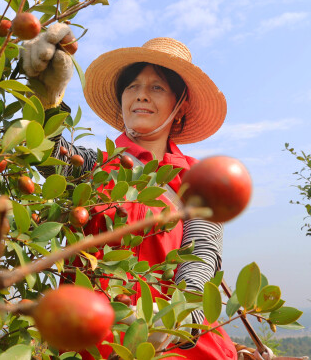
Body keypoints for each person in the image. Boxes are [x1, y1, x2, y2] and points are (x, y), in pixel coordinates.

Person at [20, 24, 239, 359]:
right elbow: (56, 162)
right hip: (84, 338)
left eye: (157, 87)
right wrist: (46, 104)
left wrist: (179, 318)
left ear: (179, 105)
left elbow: (200, 257)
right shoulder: (96, 165)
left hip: (169, 343)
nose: (141, 94)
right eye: (133, 86)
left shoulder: (199, 181)